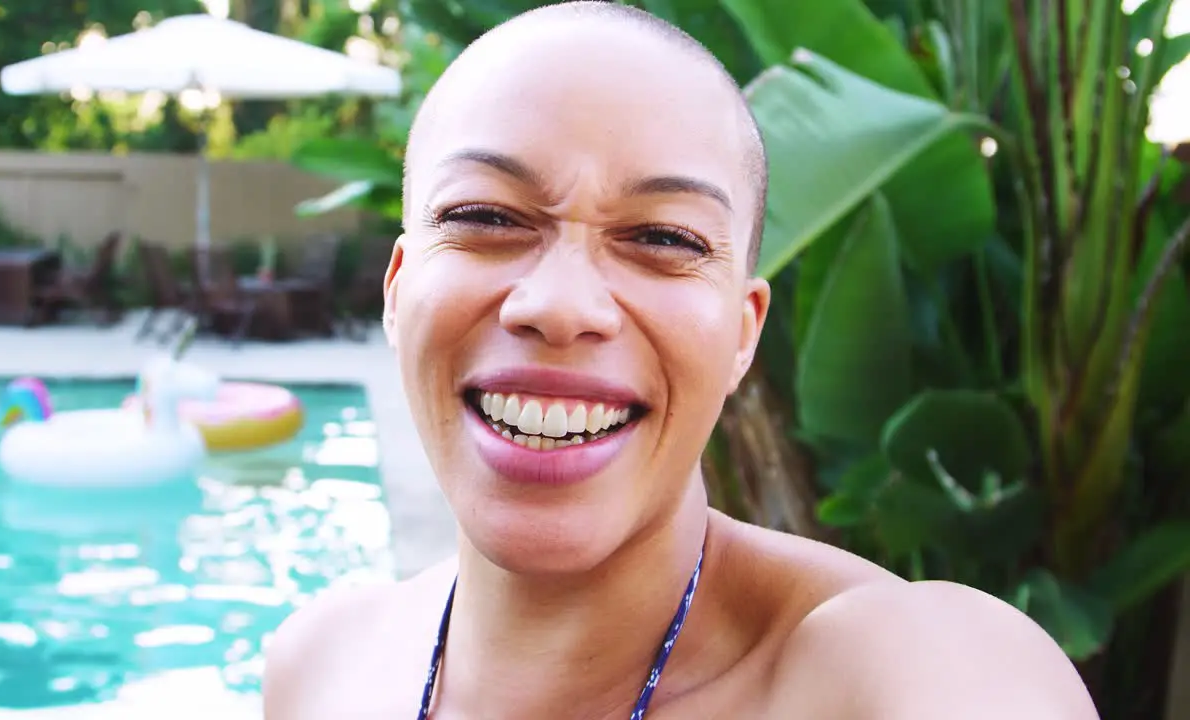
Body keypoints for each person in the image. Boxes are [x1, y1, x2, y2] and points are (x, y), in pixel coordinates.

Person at [264, 2, 1100, 718]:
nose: (560, 306)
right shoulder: (322, 667)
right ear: (398, 290)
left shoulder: (886, 670)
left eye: (663, 238)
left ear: (743, 333)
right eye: (485, 216)